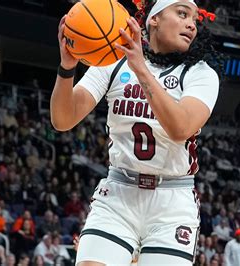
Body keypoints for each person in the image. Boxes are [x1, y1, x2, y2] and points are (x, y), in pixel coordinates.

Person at [51, 0, 224, 264]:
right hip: (119, 193)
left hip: (172, 202)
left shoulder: (201, 74)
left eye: (194, 20)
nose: (191, 24)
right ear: (154, 19)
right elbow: (63, 120)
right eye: (181, 13)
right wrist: (67, 67)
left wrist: (141, 69)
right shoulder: (113, 63)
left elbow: (180, 129)